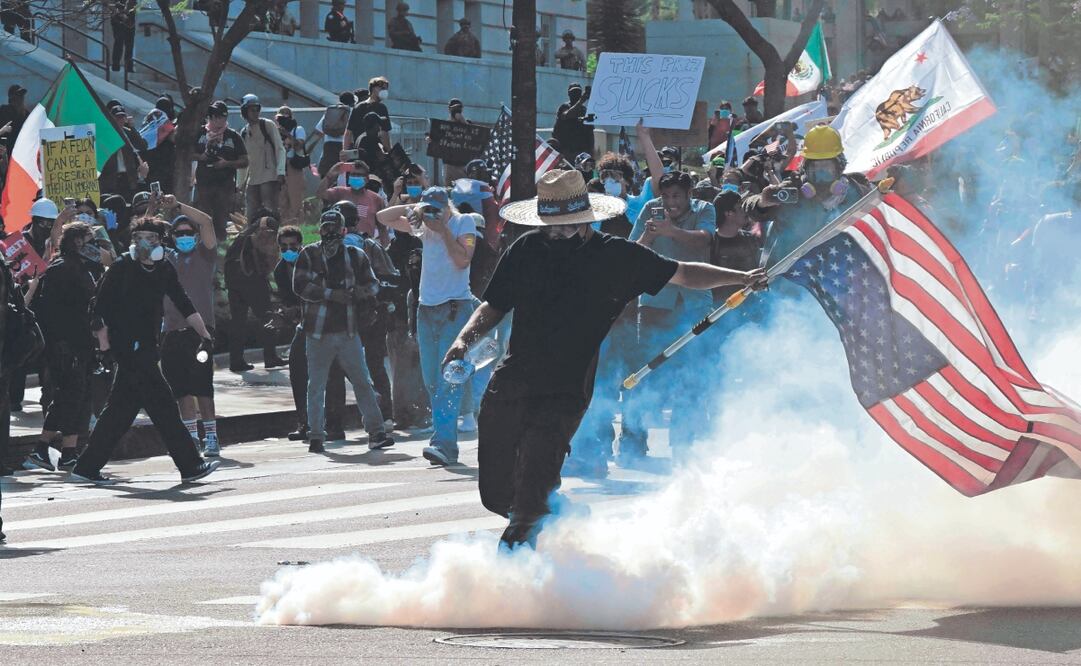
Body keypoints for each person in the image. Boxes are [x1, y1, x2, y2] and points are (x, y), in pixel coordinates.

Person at [443, 169, 766, 549]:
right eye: (552, 226)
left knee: (530, 497)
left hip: (564, 391)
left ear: (586, 220)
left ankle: (524, 583)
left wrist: (740, 277)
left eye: (567, 226)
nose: (558, 233)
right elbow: (493, 306)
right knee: (496, 493)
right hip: (512, 381)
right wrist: (463, 341)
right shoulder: (526, 250)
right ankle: (560, 515)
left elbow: (684, 273)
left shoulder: (616, 257)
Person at [71, 217, 220, 485]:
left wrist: (204, 333)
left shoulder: (164, 268)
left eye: (151, 238)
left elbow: (183, 302)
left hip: (148, 346)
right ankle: (191, 465)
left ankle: (86, 467)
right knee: (164, 407)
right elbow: (99, 307)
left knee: (119, 412)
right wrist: (105, 346)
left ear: (160, 242)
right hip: (128, 348)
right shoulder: (121, 267)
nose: (144, 243)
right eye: (140, 237)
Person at [621, 170, 717, 464]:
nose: (671, 202)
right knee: (643, 373)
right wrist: (651, 234)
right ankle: (632, 445)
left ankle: (686, 443)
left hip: (694, 305)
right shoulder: (651, 210)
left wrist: (671, 231)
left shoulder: (705, 210)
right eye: (667, 196)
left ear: (689, 196)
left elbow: (702, 241)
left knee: (692, 375)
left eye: (677, 196)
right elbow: (631, 251)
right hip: (654, 302)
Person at [376, 187, 477, 465]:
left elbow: (463, 260)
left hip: (454, 308)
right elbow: (383, 217)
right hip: (425, 310)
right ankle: (444, 438)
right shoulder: (422, 227)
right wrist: (418, 208)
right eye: (430, 208)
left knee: (449, 378)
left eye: (438, 208)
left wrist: (444, 229)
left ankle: (444, 443)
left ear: (449, 207)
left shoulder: (462, 222)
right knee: (431, 379)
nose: (433, 214)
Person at [293, 209, 394, 453]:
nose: (330, 233)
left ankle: (376, 432)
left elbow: (373, 284)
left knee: (362, 381)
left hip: (348, 331)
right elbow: (299, 286)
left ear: (343, 230)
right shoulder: (309, 254)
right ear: (319, 230)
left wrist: (360, 293)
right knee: (316, 385)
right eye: (325, 228)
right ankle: (316, 435)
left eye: (334, 229)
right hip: (317, 332)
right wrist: (331, 294)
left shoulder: (355, 255)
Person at [23, 222, 102, 473]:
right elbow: (53, 312)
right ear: (76, 241)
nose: (92, 246)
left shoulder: (81, 267)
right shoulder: (62, 268)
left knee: (76, 398)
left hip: (80, 345)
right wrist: (62, 345)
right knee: (70, 397)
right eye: (87, 240)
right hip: (67, 347)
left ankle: (64, 452)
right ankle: (47, 449)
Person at [275, 225, 347, 443]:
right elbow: (289, 301)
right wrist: (286, 314)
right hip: (305, 325)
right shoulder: (280, 271)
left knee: (334, 373)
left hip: (329, 324)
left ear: (301, 245)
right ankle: (305, 423)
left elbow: (324, 294)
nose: (289, 250)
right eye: (284, 246)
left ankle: (334, 425)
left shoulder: (314, 262)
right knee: (297, 368)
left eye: (293, 246)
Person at [160, 200, 221, 456]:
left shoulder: (205, 255)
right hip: (172, 333)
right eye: (179, 233)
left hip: (200, 334)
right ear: (172, 237)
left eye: (188, 233)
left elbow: (206, 220)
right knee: (182, 390)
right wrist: (156, 210)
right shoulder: (165, 258)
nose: (184, 237)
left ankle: (212, 438)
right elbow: (141, 237)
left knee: (202, 387)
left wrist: (178, 206)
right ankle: (192, 438)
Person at [224, 210, 286, 372]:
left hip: (233, 283)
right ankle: (270, 357)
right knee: (268, 317)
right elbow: (269, 256)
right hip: (253, 281)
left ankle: (236, 361)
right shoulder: (264, 232)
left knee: (237, 322)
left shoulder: (243, 235)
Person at [194, 100, 247, 241]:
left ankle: (220, 245)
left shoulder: (233, 136)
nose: (215, 119)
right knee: (203, 214)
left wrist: (227, 163)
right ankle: (203, 243)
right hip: (204, 182)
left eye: (218, 116)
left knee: (220, 217)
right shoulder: (199, 133)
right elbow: (186, 153)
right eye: (212, 116)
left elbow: (245, 161)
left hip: (224, 184)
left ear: (225, 118)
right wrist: (202, 157)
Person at [238, 94, 286, 220]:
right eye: (251, 110)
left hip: (269, 176)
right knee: (251, 214)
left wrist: (280, 171)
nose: (255, 113)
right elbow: (244, 161)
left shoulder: (267, 125)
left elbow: (280, 149)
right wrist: (240, 184)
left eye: (257, 109)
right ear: (245, 111)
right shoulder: (243, 132)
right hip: (252, 179)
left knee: (270, 211)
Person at [316, 160, 385, 234]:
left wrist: (385, 245)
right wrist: (329, 175)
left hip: (365, 243)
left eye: (359, 175)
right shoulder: (339, 192)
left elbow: (383, 229)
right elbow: (320, 194)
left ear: (367, 179)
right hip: (342, 241)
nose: (355, 177)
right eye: (353, 174)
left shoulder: (376, 199)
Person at [309, 91, 355, 178]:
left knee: (327, 180)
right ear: (353, 102)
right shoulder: (353, 112)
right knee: (346, 180)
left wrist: (306, 152)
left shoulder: (331, 112)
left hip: (328, 149)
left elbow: (317, 133)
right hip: (347, 149)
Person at [275, 106, 308, 227]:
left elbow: (299, 145)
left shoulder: (298, 129)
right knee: (281, 200)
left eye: (285, 116)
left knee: (295, 199)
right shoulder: (274, 131)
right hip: (279, 166)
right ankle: (283, 226)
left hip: (293, 165)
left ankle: (298, 226)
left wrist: (287, 134)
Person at [344, 77, 392, 155]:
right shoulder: (381, 108)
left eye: (386, 89)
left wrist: (345, 153)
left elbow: (348, 132)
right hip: (376, 154)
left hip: (360, 152)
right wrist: (390, 152)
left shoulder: (358, 107)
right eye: (382, 88)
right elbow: (384, 134)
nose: (385, 91)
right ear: (373, 88)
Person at [553, 84, 593, 163]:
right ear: (569, 94)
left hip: (581, 152)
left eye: (578, 92)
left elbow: (590, 133)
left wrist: (591, 152)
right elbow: (567, 115)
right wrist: (581, 101)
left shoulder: (584, 110)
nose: (575, 94)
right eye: (573, 92)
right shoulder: (564, 107)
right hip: (565, 151)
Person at [0, 84, 29, 153]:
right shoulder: (3, 110)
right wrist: (2, 130)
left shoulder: (26, 114)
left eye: (22, 95)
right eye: (18, 94)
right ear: (11, 97)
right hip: (4, 154)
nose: (21, 97)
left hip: (20, 154)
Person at [109, 0, 137, 72]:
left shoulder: (132, 3)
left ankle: (128, 67)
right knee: (119, 45)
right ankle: (116, 66)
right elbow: (115, 11)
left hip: (130, 24)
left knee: (129, 47)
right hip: (120, 24)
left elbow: (134, 10)